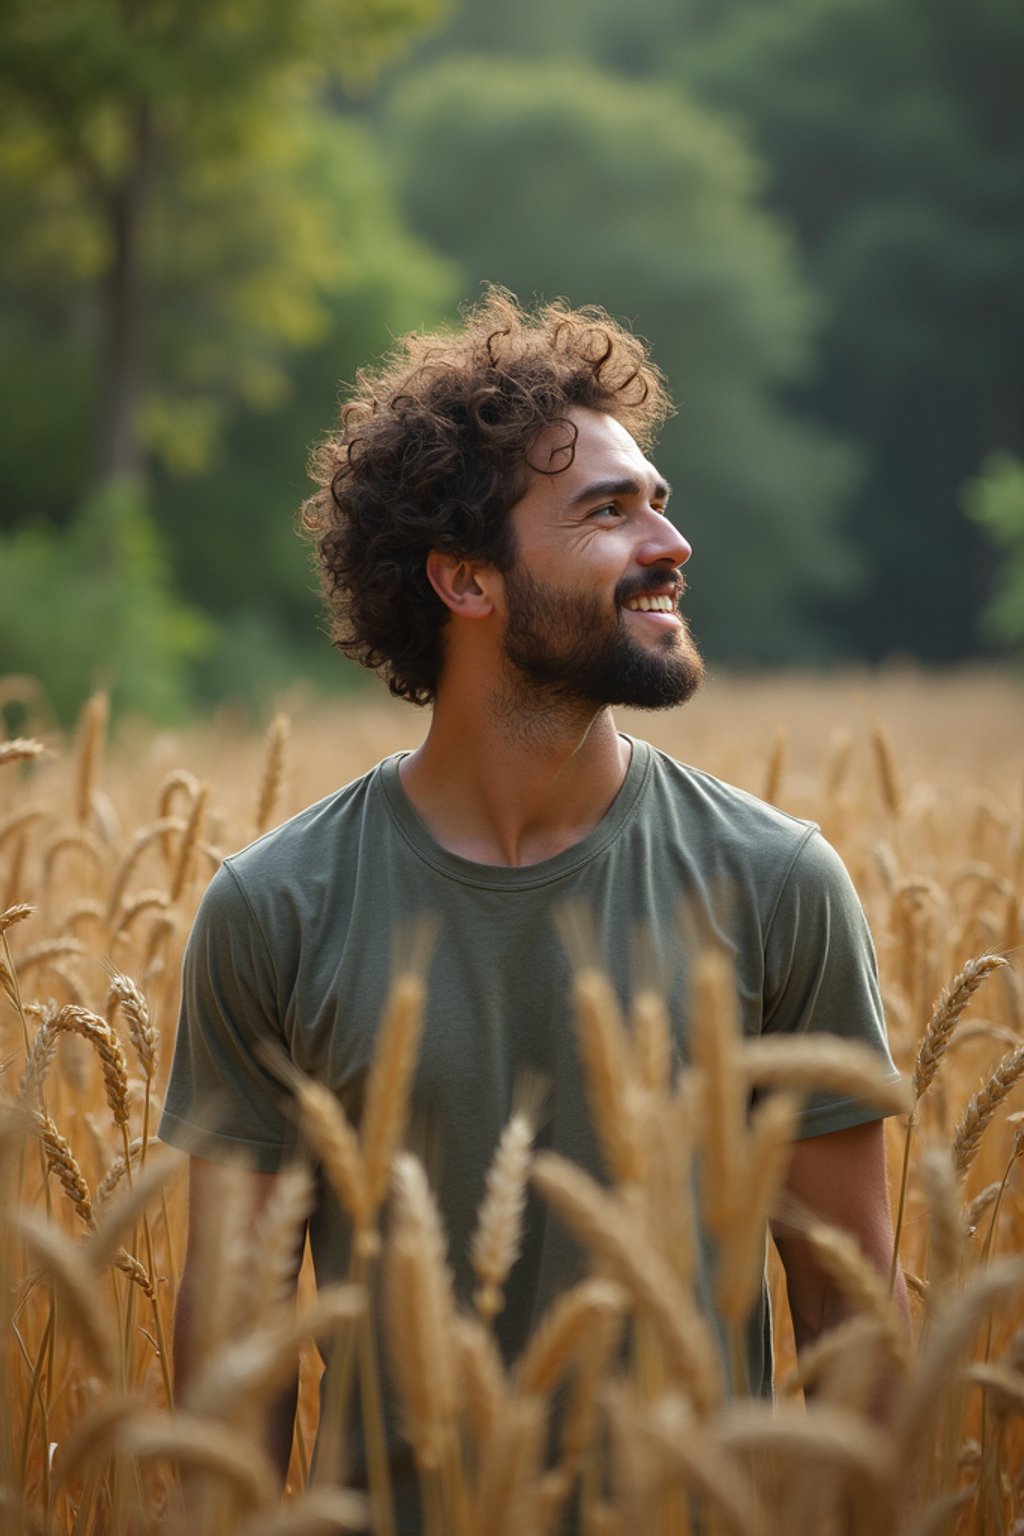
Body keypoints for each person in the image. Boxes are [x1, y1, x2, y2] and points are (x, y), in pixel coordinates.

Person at [161, 289, 908, 1516]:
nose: (667, 544)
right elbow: (233, 1361)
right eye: (608, 513)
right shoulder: (275, 907)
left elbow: (852, 1313)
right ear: (466, 580)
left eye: (658, 503)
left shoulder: (776, 882)